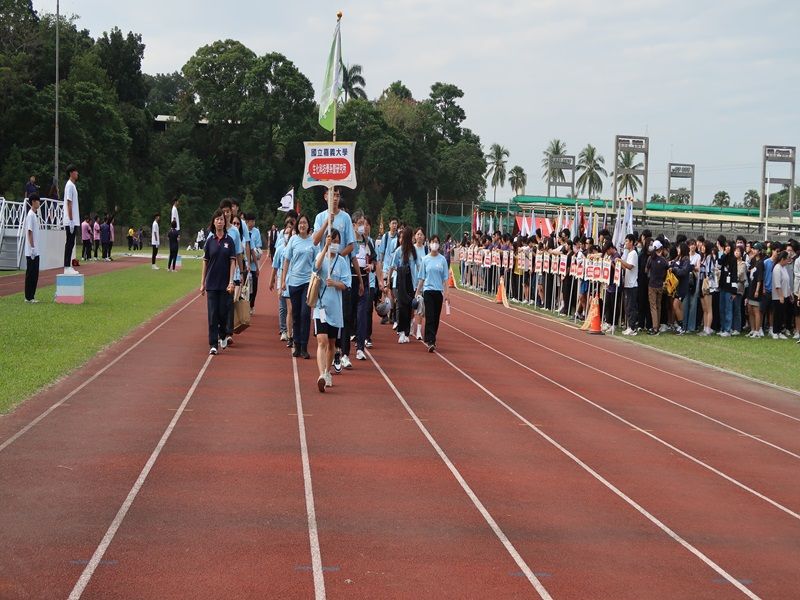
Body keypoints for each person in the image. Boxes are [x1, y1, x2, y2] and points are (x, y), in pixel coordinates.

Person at [313, 228, 351, 393]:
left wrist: (334, 283)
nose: (334, 244)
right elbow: (316, 267)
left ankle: (328, 371)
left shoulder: (342, 262)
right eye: (332, 241)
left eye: (336, 241)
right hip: (320, 306)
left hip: (335, 308)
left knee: (331, 343)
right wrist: (324, 248)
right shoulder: (321, 256)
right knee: (321, 340)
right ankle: (321, 374)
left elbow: (346, 284)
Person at [200, 210, 236, 355]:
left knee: (223, 312)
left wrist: (231, 281)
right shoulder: (210, 241)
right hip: (212, 283)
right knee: (212, 314)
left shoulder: (229, 241)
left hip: (225, 284)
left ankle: (223, 334)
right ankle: (213, 344)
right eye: (217, 219)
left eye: (222, 219)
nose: (220, 222)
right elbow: (205, 262)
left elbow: (233, 262)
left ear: (224, 222)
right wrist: (202, 282)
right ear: (214, 222)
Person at [281, 214, 315, 359]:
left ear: (308, 225)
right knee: (295, 314)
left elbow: (317, 261)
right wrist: (283, 280)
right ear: (297, 225)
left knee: (305, 314)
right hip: (294, 282)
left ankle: (304, 346)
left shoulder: (313, 241)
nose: (302, 225)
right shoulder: (293, 240)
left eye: (305, 223)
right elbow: (287, 261)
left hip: (308, 282)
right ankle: (297, 344)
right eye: (300, 223)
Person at [388, 226, 422, 344]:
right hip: (400, 282)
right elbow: (392, 267)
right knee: (401, 307)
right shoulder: (399, 251)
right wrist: (388, 281)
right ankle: (401, 331)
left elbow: (419, 266)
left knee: (409, 308)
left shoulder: (414, 251)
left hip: (411, 283)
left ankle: (407, 332)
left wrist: (420, 281)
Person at [415, 234, 449, 352]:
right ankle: (431, 340)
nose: (434, 244)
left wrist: (447, 294)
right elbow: (422, 277)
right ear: (429, 244)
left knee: (436, 317)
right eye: (432, 241)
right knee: (429, 315)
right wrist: (417, 291)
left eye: (436, 242)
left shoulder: (443, 260)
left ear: (439, 245)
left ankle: (431, 336)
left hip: (438, 292)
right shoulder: (425, 259)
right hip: (428, 291)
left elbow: (445, 278)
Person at [350, 211, 376, 360]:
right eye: (360, 224)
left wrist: (371, 266)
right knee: (349, 316)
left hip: (364, 282)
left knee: (362, 315)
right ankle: (343, 349)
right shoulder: (349, 242)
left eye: (364, 224)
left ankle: (360, 347)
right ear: (353, 225)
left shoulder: (368, 242)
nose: (363, 227)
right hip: (350, 281)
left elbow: (373, 261)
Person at [377, 217, 399, 325]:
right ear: (389, 224)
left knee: (394, 293)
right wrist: (380, 267)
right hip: (386, 268)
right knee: (385, 292)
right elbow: (381, 253)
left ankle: (393, 315)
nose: (394, 225)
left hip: (395, 269)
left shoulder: (399, 237)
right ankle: (385, 314)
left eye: (396, 223)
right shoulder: (385, 237)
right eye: (393, 223)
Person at [645, 240, 668, 335]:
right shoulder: (664, 261)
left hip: (652, 285)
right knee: (658, 306)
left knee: (653, 307)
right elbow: (667, 271)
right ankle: (657, 326)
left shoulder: (651, 258)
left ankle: (655, 328)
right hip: (660, 285)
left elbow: (646, 270)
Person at [669, 242, 692, 335]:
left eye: (679, 249)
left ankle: (681, 326)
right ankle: (682, 326)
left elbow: (683, 271)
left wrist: (674, 269)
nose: (677, 250)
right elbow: (672, 265)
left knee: (675, 305)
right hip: (677, 285)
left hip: (682, 286)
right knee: (679, 306)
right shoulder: (678, 259)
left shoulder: (686, 260)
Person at [619, 234, 639, 335]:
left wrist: (621, 261)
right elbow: (626, 268)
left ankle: (632, 327)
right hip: (627, 283)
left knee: (630, 306)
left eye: (627, 241)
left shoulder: (634, 253)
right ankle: (629, 326)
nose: (625, 243)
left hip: (632, 284)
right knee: (627, 306)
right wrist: (619, 263)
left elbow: (630, 266)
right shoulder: (629, 253)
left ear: (631, 242)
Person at [63, 165, 81, 274]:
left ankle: (68, 266)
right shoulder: (69, 185)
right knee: (69, 243)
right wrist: (70, 220)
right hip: (71, 220)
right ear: (71, 173)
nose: (77, 173)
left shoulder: (72, 185)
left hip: (73, 220)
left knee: (71, 243)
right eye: (75, 171)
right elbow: (69, 203)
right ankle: (66, 266)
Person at [24, 194, 41, 303]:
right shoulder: (30, 215)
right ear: (33, 202)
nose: (39, 203)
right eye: (38, 201)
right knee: (30, 274)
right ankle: (28, 297)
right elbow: (29, 233)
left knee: (35, 274)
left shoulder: (34, 215)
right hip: (31, 251)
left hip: (36, 250)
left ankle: (32, 296)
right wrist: (33, 248)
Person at [412, 227, 428, 340]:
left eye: (421, 234)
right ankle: (410, 324)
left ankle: (418, 330)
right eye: (418, 234)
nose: (419, 236)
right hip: (412, 281)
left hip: (423, 283)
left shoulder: (426, 250)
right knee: (412, 306)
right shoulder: (411, 249)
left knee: (421, 307)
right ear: (414, 236)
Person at [771, 251, 791, 339]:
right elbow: (777, 284)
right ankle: (775, 331)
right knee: (777, 314)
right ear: (782, 259)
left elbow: (787, 282)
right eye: (787, 259)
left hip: (785, 295)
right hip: (778, 296)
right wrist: (781, 296)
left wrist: (790, 294)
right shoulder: (777, 268)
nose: (788, 261)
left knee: (782, 314)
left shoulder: (784, 268)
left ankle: (779, 331)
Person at [746, 243, 765, 338]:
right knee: (750, 310)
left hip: (756, 288)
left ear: (760, 251)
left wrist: (757, 290)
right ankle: (752, 329)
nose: (754, 250)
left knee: (756, 310)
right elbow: (749, 270)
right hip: (750, 287)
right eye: (753, 249)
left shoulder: (761, 263)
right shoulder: (753, 260)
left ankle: (757, 330)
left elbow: (760, 279)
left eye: (756, 249)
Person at [246, 214, 262, 314]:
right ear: (247, 221)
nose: (253, 223)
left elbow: (258, 246)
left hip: (253, 264)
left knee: (254, 288)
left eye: (254, 221)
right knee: (246, 288)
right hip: (245, 265)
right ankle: (245, 306)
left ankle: (251, 305)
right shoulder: (243, 230)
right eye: (252, 221)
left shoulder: (256, 232)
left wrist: (254, 255)